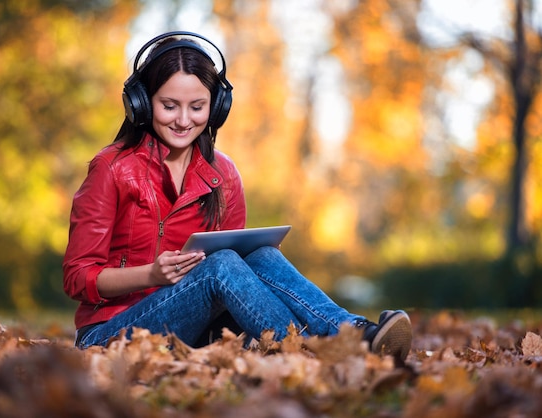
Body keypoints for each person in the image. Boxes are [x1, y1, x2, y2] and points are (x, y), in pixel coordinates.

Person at [62, 31, 412, 360]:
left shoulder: (224, 174)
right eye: (169, 106)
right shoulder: (112, 168)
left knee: (259, 254)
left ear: (216, 108)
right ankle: (314, 353)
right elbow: (77, 277)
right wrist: (151, 275)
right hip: (109, 334)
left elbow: (239, 277)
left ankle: (353, 333)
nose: (184, 120)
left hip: (195, 328)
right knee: (221, 265)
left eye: (197, 107)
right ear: (141, 103)